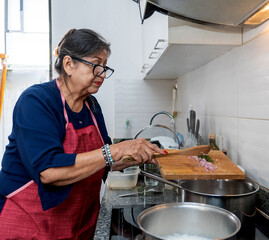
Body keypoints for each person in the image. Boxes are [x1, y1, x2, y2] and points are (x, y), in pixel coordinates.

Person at [0, 28, 166, 239]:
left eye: (105, 67)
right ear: (69, 64)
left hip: (79, 225)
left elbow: (104, 160)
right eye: (96, 65)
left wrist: (137, 153)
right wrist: (115, 150)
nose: (103, 74)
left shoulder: (92, 106)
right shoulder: (36, 101)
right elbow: (49, 172)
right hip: (30, 225)